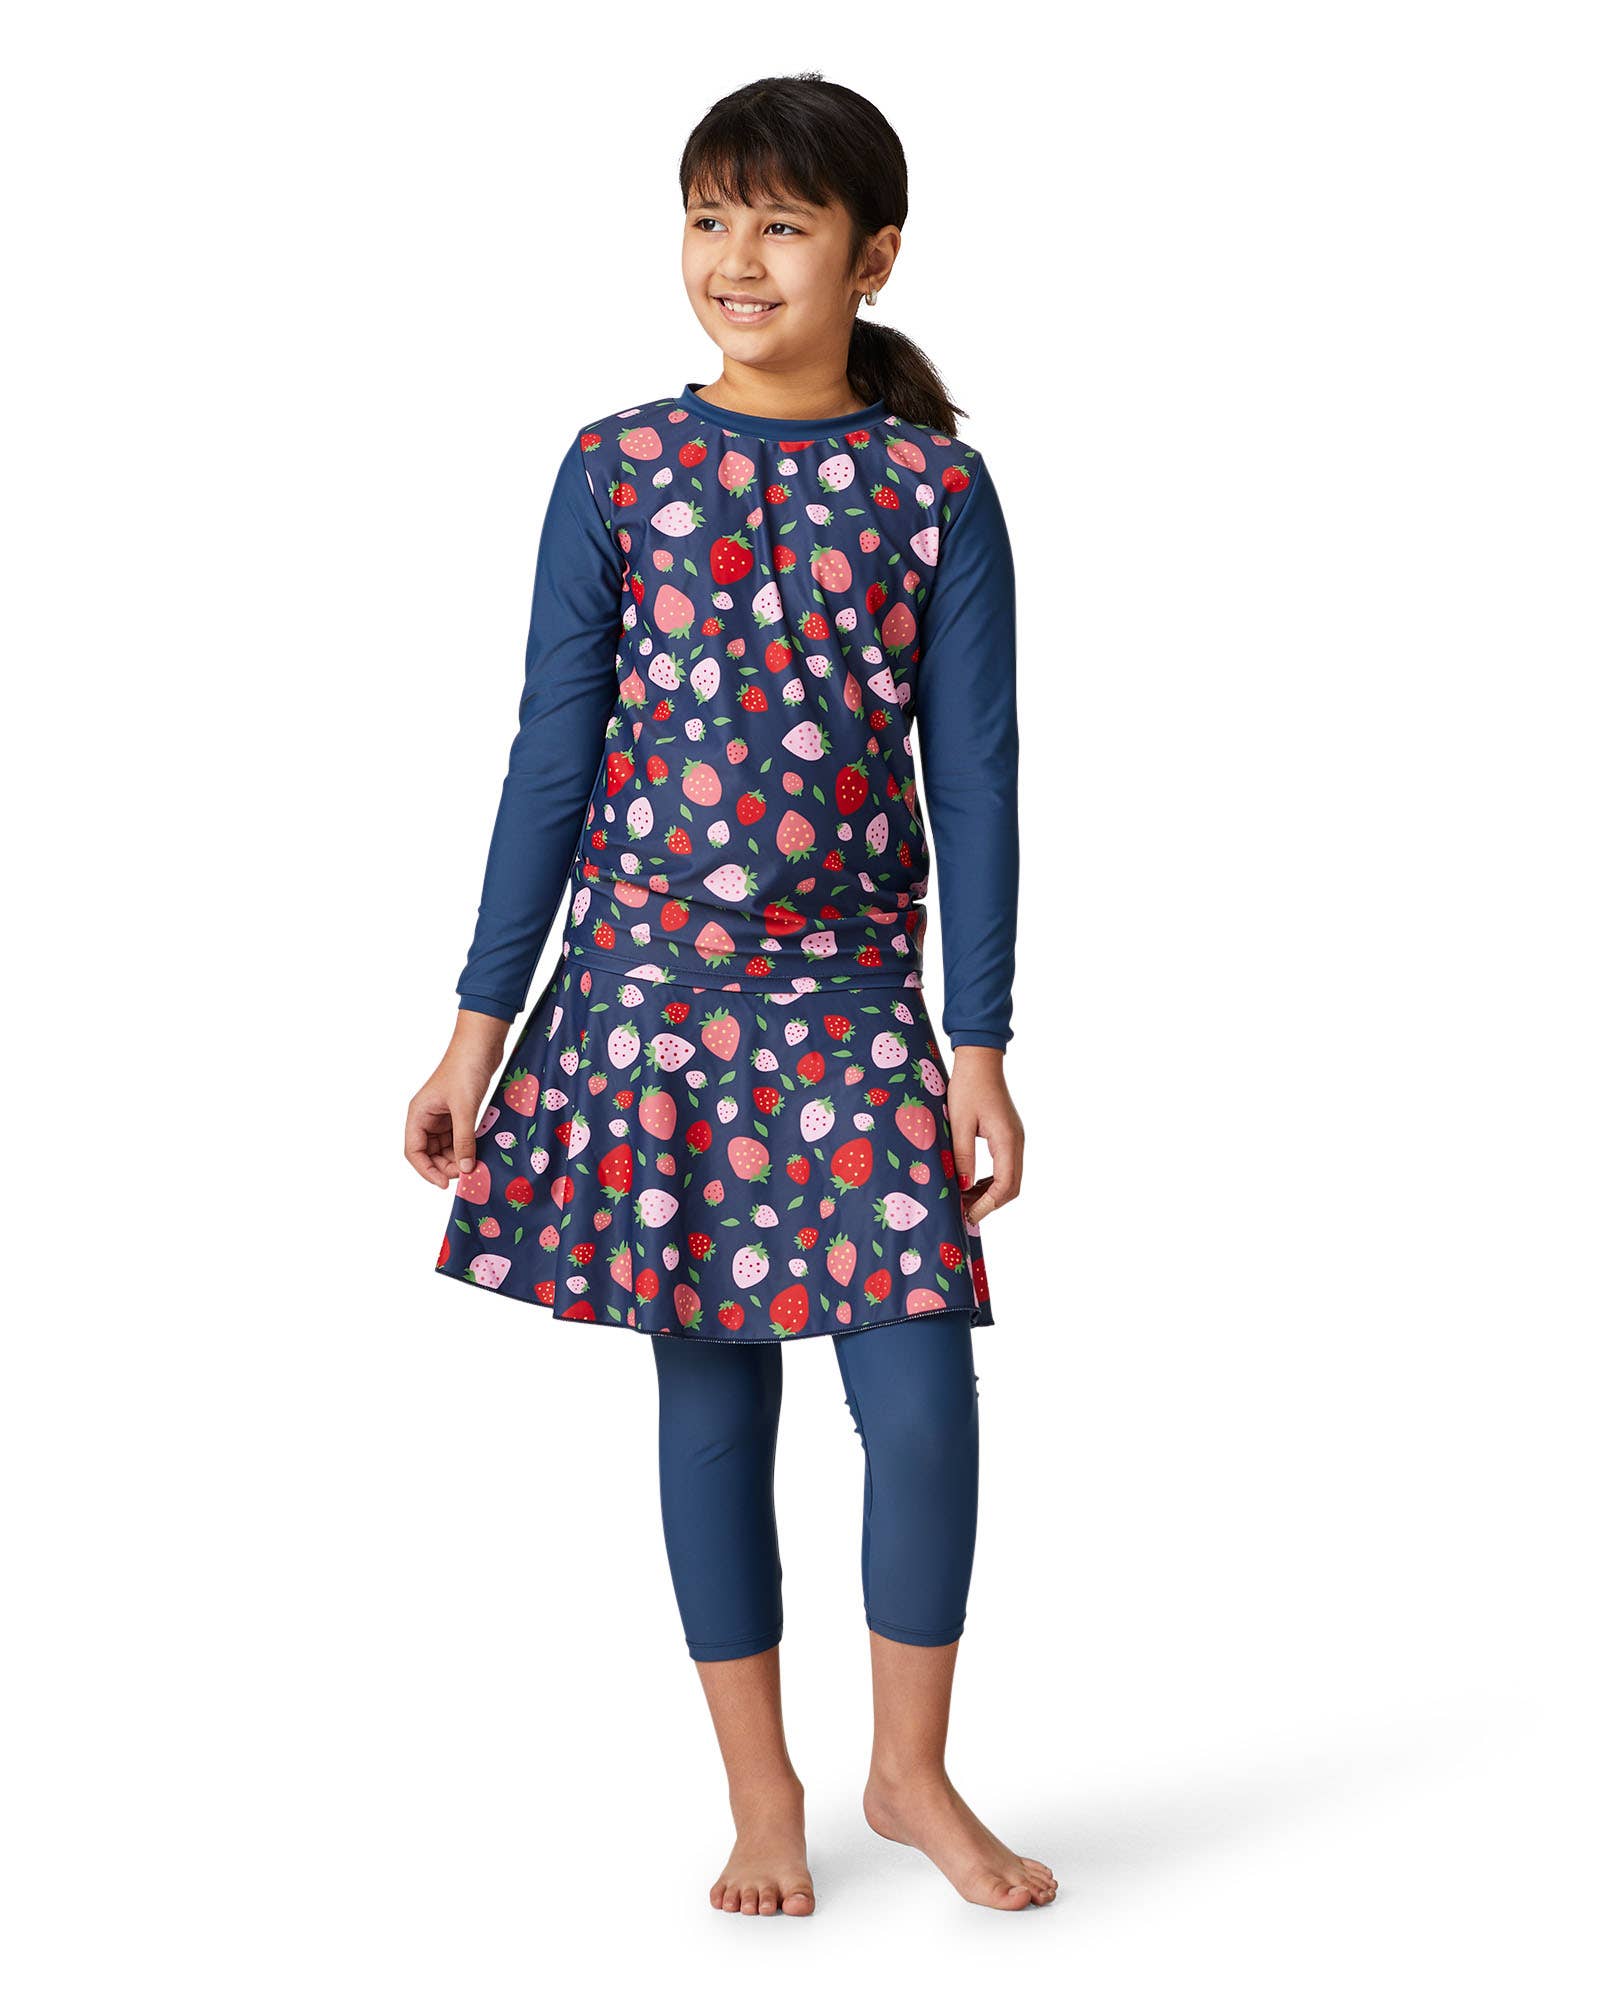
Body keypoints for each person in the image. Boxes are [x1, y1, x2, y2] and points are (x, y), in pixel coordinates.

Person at [405, 72, 1049, 1916]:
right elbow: (551, 756)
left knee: (919, 1404)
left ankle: (910, 1775)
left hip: (849, 1008)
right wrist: (476, 1029)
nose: (736, 258)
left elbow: (976, 777)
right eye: (709, 217)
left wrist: (980, 1044)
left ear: (874, 256)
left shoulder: (935, 491)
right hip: (650, 1007)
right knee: (713, 1412)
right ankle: (764, 1800)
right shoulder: (615, 468)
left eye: (780, 222)